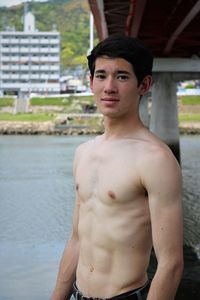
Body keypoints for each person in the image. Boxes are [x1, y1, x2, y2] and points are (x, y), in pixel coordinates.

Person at [51, 35, 183, 300]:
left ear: (143, 84)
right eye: (101, 76)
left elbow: (171, 263)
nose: (109, 87)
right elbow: (77, 239)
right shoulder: (83, 153)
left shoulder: (155, 158)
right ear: (90, 83)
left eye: (122, 77)